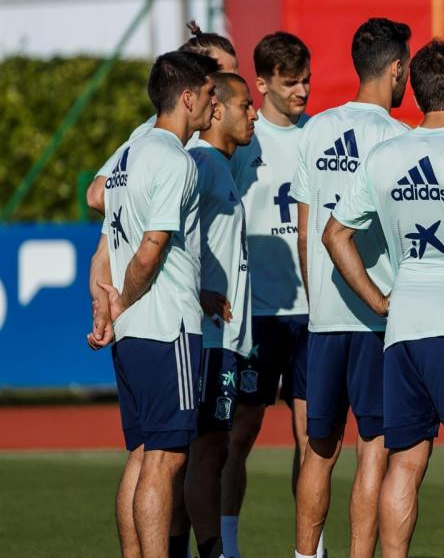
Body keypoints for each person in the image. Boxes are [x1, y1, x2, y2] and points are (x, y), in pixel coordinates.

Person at [325, 39, 444, 558]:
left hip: (404, 325)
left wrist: (378, 300)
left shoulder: (385, 156)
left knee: (404, 462)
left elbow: (334, 234)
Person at [87, 50, 217, 557]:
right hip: (166, 328)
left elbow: (105, 250)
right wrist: (122, 302)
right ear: (187, 97)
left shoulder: (124, 158)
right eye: (209, 94)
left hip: (134, 332)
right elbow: (150, 248)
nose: (214, 103)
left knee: (143, 457)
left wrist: (107, 307)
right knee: (166, 461)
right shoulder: (174, 159)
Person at [291, 18, 413, 558]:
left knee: (318, 450)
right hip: (376, 319)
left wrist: (317, 298)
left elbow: (305, 225)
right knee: (374, 451)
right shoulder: (399, 138)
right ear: (395, 69)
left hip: (324, 321)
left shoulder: (314, 129)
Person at [224, 31, 313, 557]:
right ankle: (228, 546)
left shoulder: (319, 137)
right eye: (289, 82)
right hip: (255, 314)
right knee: (240, 434)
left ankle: (311, 547)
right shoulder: (242, 139)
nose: (302, 90)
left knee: (313, 437)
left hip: (310, 312)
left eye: (306, 79)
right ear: (261, 84)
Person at [184, 71, 258, 558]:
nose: (253, 114)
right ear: (217, 111)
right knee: (206, 452)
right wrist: (197, 289)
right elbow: (171, 231)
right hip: (210, 337)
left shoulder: (221, 167)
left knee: (212, 450)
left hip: (227, 336)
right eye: (245, 105)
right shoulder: (201, 164)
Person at [87, 22, 237, 213]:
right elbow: (98, 196)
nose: (235, 85)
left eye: (236, 75)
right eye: (225, 77)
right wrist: (160, 229)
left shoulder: (233, 128)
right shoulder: (159, 131)